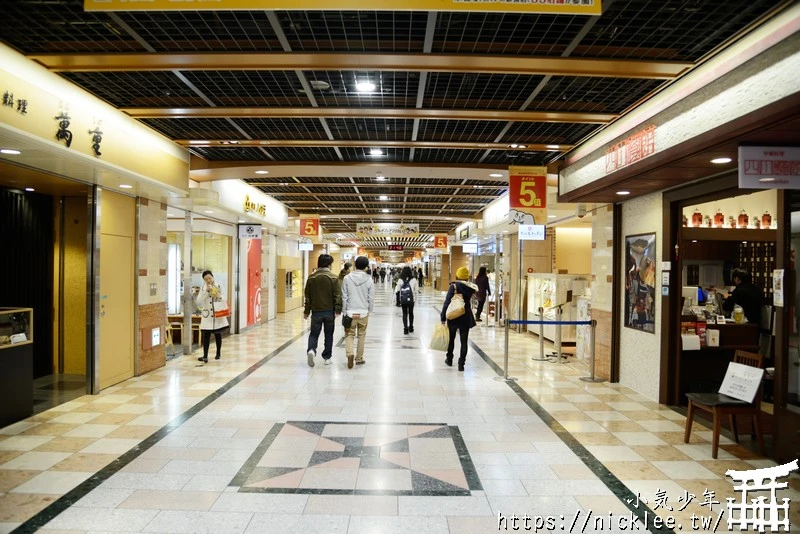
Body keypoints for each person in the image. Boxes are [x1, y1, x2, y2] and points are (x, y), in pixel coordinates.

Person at [303, 254, 342, 367]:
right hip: (329, 312)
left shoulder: (311, 278)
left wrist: (306, 311)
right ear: (329, 264)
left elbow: (308, 296)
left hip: (316, 312)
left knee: (314, 334)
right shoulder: (334, 278)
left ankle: (311, 350)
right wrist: (338, 309)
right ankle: (327, 357)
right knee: (328, 334)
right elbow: (337, 296)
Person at [440, 266, 478, 372]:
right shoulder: (471, 287)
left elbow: (447, 302)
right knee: (464, 341)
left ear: (457, 275)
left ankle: (449, 358)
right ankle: (461, 364)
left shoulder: (454, 286)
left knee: (451, 339)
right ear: (467, 277)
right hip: (465, 315)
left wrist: (443, 316)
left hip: (453, 315)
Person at [341, 256, 374, 368]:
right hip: (363, 311)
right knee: (361, 335)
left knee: (349, 334)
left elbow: (344, 296)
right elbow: (371, 297)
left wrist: (344, 311)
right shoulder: (369, 279)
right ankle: (359, 358)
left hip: (350, 311)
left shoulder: (347, 278)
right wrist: (369, 310)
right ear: (366, 267)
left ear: (355, 265)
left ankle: (350, 353)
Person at [196, 270, 228, 363]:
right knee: (206, 335)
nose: (208, 280)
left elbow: (224, 298)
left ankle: (218, 353)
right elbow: (199, 300)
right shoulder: (203, 288)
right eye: (206, 279)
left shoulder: (219, 286)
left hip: (217, 313)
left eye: (209, 278)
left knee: (218, 334)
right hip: (207, 315)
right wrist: (206, 291)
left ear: (213, 277)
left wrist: (218, 295)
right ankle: (205, 356)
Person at [395, 265, 419, 335]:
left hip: (403, 299)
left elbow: (397, 290)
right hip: (411, 299)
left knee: (404, 313)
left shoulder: (400, 280)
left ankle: (405, 329)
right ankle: (411, 327)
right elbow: (416, 290)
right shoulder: (414, 279)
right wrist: (415, 298)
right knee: (411, 313)